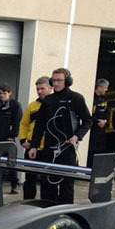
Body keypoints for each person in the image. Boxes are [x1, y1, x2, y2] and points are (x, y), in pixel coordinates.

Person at [29, 68, 92, 204]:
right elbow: (39, 125)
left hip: (67, 148)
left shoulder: (76, 98)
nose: (56, 83)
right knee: (47, 185)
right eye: (54, 80)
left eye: (59, 80)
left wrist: (77, 136)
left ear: (67, 81)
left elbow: (88, 120)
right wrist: (34, 146)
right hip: (49, 149)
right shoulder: (48, 100)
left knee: (66, 186)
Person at [18, 76, 52, 200]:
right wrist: (23, 140)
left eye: (42, 88)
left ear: (50, 88)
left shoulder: (54, 105)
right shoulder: (32, 106)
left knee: (46, 181)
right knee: (29, 179)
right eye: (37, 89)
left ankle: (45, 204)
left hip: (48, 148)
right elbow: (24, 124)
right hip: (32, 147)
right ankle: (28, 202)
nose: (39, 91)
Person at [0, 83, 23, 194]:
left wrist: (12, 135)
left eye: (4, 93)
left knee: (11, 163)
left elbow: (18, 123)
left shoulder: (15, 105)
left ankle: (14, 184)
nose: (2, 95)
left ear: (10, 93)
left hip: (9, 140)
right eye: (0, 93)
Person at [87, 78, 110, 168]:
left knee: (99, 150)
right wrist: (97, 121)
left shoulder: (105, 99)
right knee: (90, 149)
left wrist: (105, 121)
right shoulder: (92, 98)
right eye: (105, 87)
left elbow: (107, 112)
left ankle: (95, 169)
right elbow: (90, 113)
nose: (106, 90)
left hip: (102, 129)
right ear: (99, 87)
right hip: (93, 128)